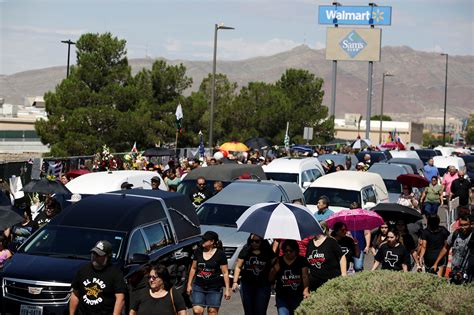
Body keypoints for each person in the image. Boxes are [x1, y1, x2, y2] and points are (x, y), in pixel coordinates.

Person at [70, 240, 126, 315]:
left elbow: (120, 299)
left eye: (99, 255)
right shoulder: (83, 271)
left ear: (107, 257)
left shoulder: (115, 273)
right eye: (94, 253)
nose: (94, 256)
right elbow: (75, 294)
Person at [186, 231, 231, 315]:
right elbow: (193, 268)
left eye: (205, 240)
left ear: (212, 241)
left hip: (215, 288)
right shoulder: (198, 251)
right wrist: (189, 284)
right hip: (199, 286)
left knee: (212, 312)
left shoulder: (220, 254)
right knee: (197, 311)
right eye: (202, 239)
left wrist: (227, 289)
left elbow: (225, 272)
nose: (202, 241)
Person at [233, 234, 275, 315]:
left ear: (262, 242)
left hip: (263, 286)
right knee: (249, 311)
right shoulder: (245, 250)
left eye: (257, 241)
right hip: (247, 285)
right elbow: (238, 266)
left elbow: (275, 265)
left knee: (260, 311)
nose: (254, 243)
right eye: (252, 241)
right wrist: (235, 282)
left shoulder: (268, 252)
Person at [269, 239, 309, 315]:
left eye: (291, 251)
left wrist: (306, 290)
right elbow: (270, 279)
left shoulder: (301, 260)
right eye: (286, 251)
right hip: (282, 297)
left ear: (296, 251)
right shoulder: (279, 261)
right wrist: (275, 270)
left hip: (297, 296)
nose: (288, 253)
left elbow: (305, 276)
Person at [305, 221, 346, 291]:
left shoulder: (331, 241)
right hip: (314, 284)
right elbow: (307, 261)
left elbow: (342, 257)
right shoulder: (310, 243)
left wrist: (344, 274)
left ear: (323, 229)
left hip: (330, 281)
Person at [432, 214, 472, 284]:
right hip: (455, 271)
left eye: (465, 225)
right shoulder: (455, 234)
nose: (463, 227)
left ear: (471, 224)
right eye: (461, 225)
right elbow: (445, 248)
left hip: (470, 272)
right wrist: (436, 263)